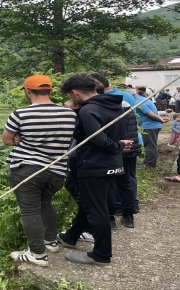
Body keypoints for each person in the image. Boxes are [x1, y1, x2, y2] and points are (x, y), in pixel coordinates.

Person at [56, 74, 133, 266]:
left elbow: (98, 139)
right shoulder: (114, 104)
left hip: (94, 165)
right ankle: (71, 236)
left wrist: (117, 145)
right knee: (89, 203)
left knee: (96, 210)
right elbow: (91, 133)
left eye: (70, 95)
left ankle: (101, 254)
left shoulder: (88, 110)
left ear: (75, 92)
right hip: (112, 164)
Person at [3, 74, 76, 267]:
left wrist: (19, 137)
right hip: (57, 171)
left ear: (27, 91)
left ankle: (37, 254)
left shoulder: (21, 114)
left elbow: (7, 140)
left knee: (29, 210)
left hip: (27, 170)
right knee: (45, 204)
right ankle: (50, 242)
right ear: (51, 90)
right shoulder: (69, 114)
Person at [91, 73, 141, 228]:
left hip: (113, 148)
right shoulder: (124, 101)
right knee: (126, 182)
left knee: (109, 184)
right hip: (129, 146)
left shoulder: (98, 106)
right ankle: (128, 216)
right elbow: (133, 126)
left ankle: (110, 218)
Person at [133, 84, 166, 168]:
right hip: (150, 125)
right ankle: (147, 161)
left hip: (150, 126)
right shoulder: (143, 99)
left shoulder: (139, 102)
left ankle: (150, 164)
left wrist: (160, 119)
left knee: (150, 145)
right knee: (149, 144)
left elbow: (150, 114)